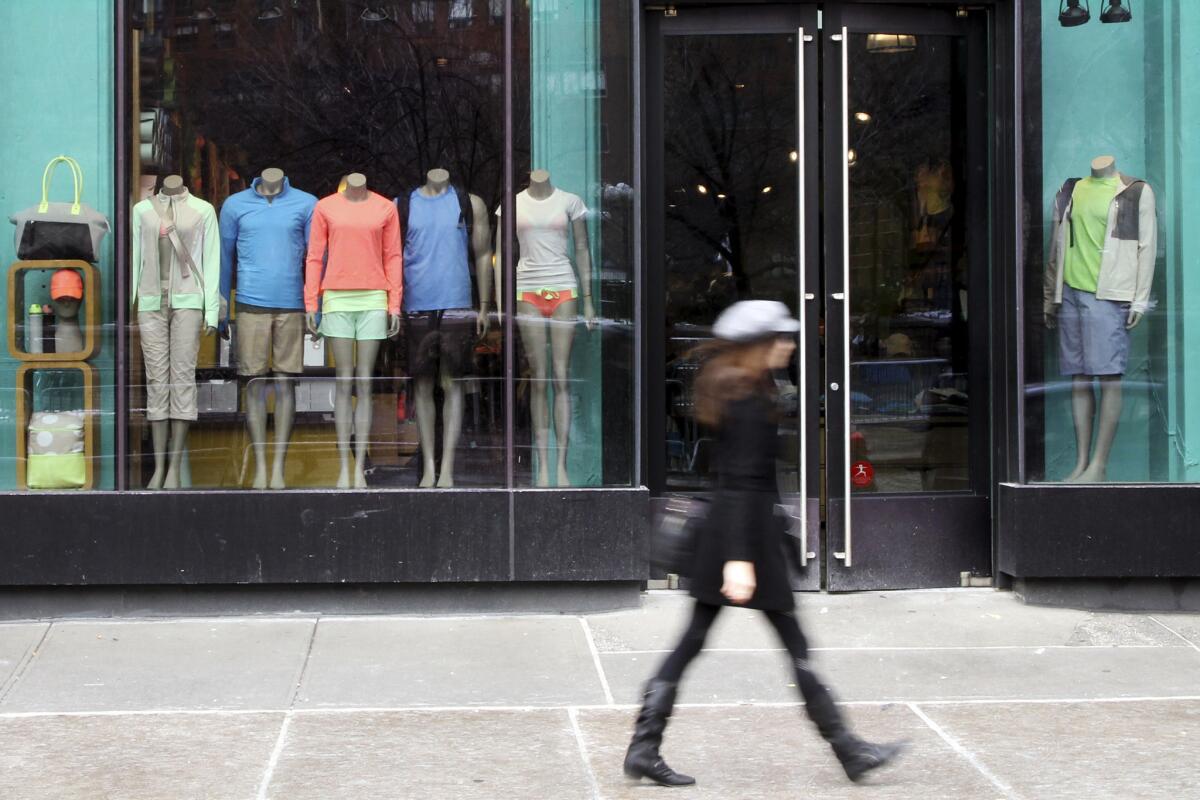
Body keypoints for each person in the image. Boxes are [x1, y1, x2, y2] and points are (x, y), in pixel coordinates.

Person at [623, 300, 904, 787]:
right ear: (758, 345)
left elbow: (744, 483)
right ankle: (848, 750)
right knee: (792, 646)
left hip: (741, 538)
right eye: (781, 337)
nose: (790, 344)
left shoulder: (742, 387)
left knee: (692, 643)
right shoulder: (750, 400)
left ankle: (643, 747)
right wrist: (739, 561)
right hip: (741, 544)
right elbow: (738, 484)